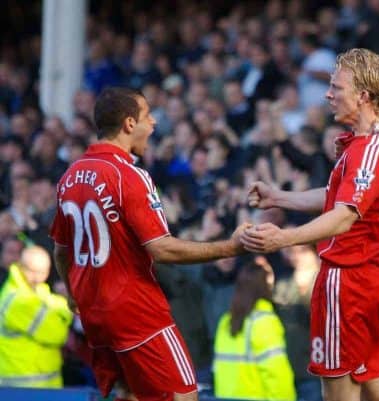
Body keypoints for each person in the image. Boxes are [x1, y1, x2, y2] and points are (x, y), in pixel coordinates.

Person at [50, 87, 249, 401]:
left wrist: (75, 297)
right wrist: (232, 247)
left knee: (129, 394)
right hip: (136, 311)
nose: (154, 123)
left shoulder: (69, 177)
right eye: (147, 116)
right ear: (130, 124)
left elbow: (62, 252)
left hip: (95, 314)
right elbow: (162, 248)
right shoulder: (128, 175)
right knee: (184, 395)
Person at [241, 48, 379, 401]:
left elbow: (345, 215)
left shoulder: (370, 149)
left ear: (363, 96)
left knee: (338, 392)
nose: (327, 94)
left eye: (336, 87)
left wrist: (284, 238)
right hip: (371, 279)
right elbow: (337, 197)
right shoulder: (371, 145)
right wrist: (279, 197)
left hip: (348, 281)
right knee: (373, 384)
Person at [213, 259, 296, 401]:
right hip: (257, 396)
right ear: (266, 284)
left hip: (225, 395)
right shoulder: (264, 321)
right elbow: (275, 370)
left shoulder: (226, 321)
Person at [0, 246, 72, 388]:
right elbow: (57, 335)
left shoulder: (33, 289)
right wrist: (67, 313)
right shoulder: (20, 301)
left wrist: (64, 311)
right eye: (32, 271)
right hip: (25, 387)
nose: (38, 277)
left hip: (41, 384)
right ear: (21, 266)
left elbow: (60, 305)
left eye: (43, 272)